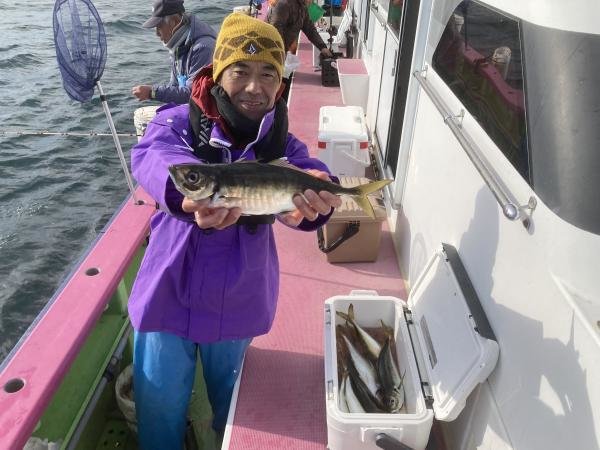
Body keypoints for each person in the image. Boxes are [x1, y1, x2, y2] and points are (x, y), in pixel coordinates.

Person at [128, 12, 342, 450]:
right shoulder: (177, 122)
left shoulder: (281, 144)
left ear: (280, 84)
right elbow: (154, 156)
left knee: (236, 408)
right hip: (167, 294)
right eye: (240, 71)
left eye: (268, 74)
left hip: (238, 299)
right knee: (158, 408)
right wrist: (184, 197)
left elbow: (310, 171)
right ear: (219, 72)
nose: (254, 87)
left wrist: (319, 201)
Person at [131, 0, 217, 104]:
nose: (157, 33)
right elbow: (175, 86)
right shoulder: (179, 46)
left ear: (175, 21)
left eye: (159, 26)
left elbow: (194, 94)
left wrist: (152, 92)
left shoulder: (203, 48)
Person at [267, 0, 334, 100]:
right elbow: (275, 30)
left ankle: (279, 99)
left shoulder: (302, 7)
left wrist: (322, 47)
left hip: (282, 53)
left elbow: (309, 29)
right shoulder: (283, 4)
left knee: (283, 84)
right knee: (273, 86)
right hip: (270, 53)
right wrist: (282, 54)